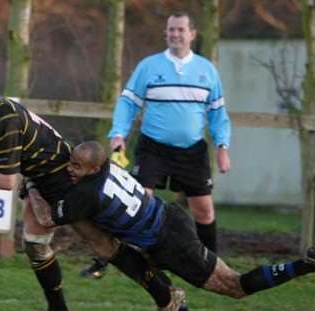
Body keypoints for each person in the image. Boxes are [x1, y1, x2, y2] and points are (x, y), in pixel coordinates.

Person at [0, 62, 189, 311]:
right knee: (34, 243)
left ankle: (173, 302)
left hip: (65, 180)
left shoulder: (2, 117)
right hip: (39, 180)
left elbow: (7, 181)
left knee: (105, 246)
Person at [25, 141, 315, 311]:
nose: (70, 169)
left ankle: (306, 264)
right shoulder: (106, 168)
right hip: (167, 219)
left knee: (235, 286)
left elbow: (46, 218)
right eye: (71, 162)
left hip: (170, 240)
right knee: (145, 270)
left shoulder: (87, 193)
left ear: (94, 168)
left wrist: (32, 186)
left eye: (77, 166)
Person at [81, 10, 231, 278]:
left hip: (192, 152)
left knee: (204, 210)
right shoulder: (148, 67)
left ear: (192, 34)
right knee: (136, 204)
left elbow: (218, 113)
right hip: (154, 149)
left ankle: (212, 267)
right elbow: (128, 103)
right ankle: (111, 260)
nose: (175, 34)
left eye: (180, 30)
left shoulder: (207, 71)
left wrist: (222, 146)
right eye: (171, 30)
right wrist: (118, 135)